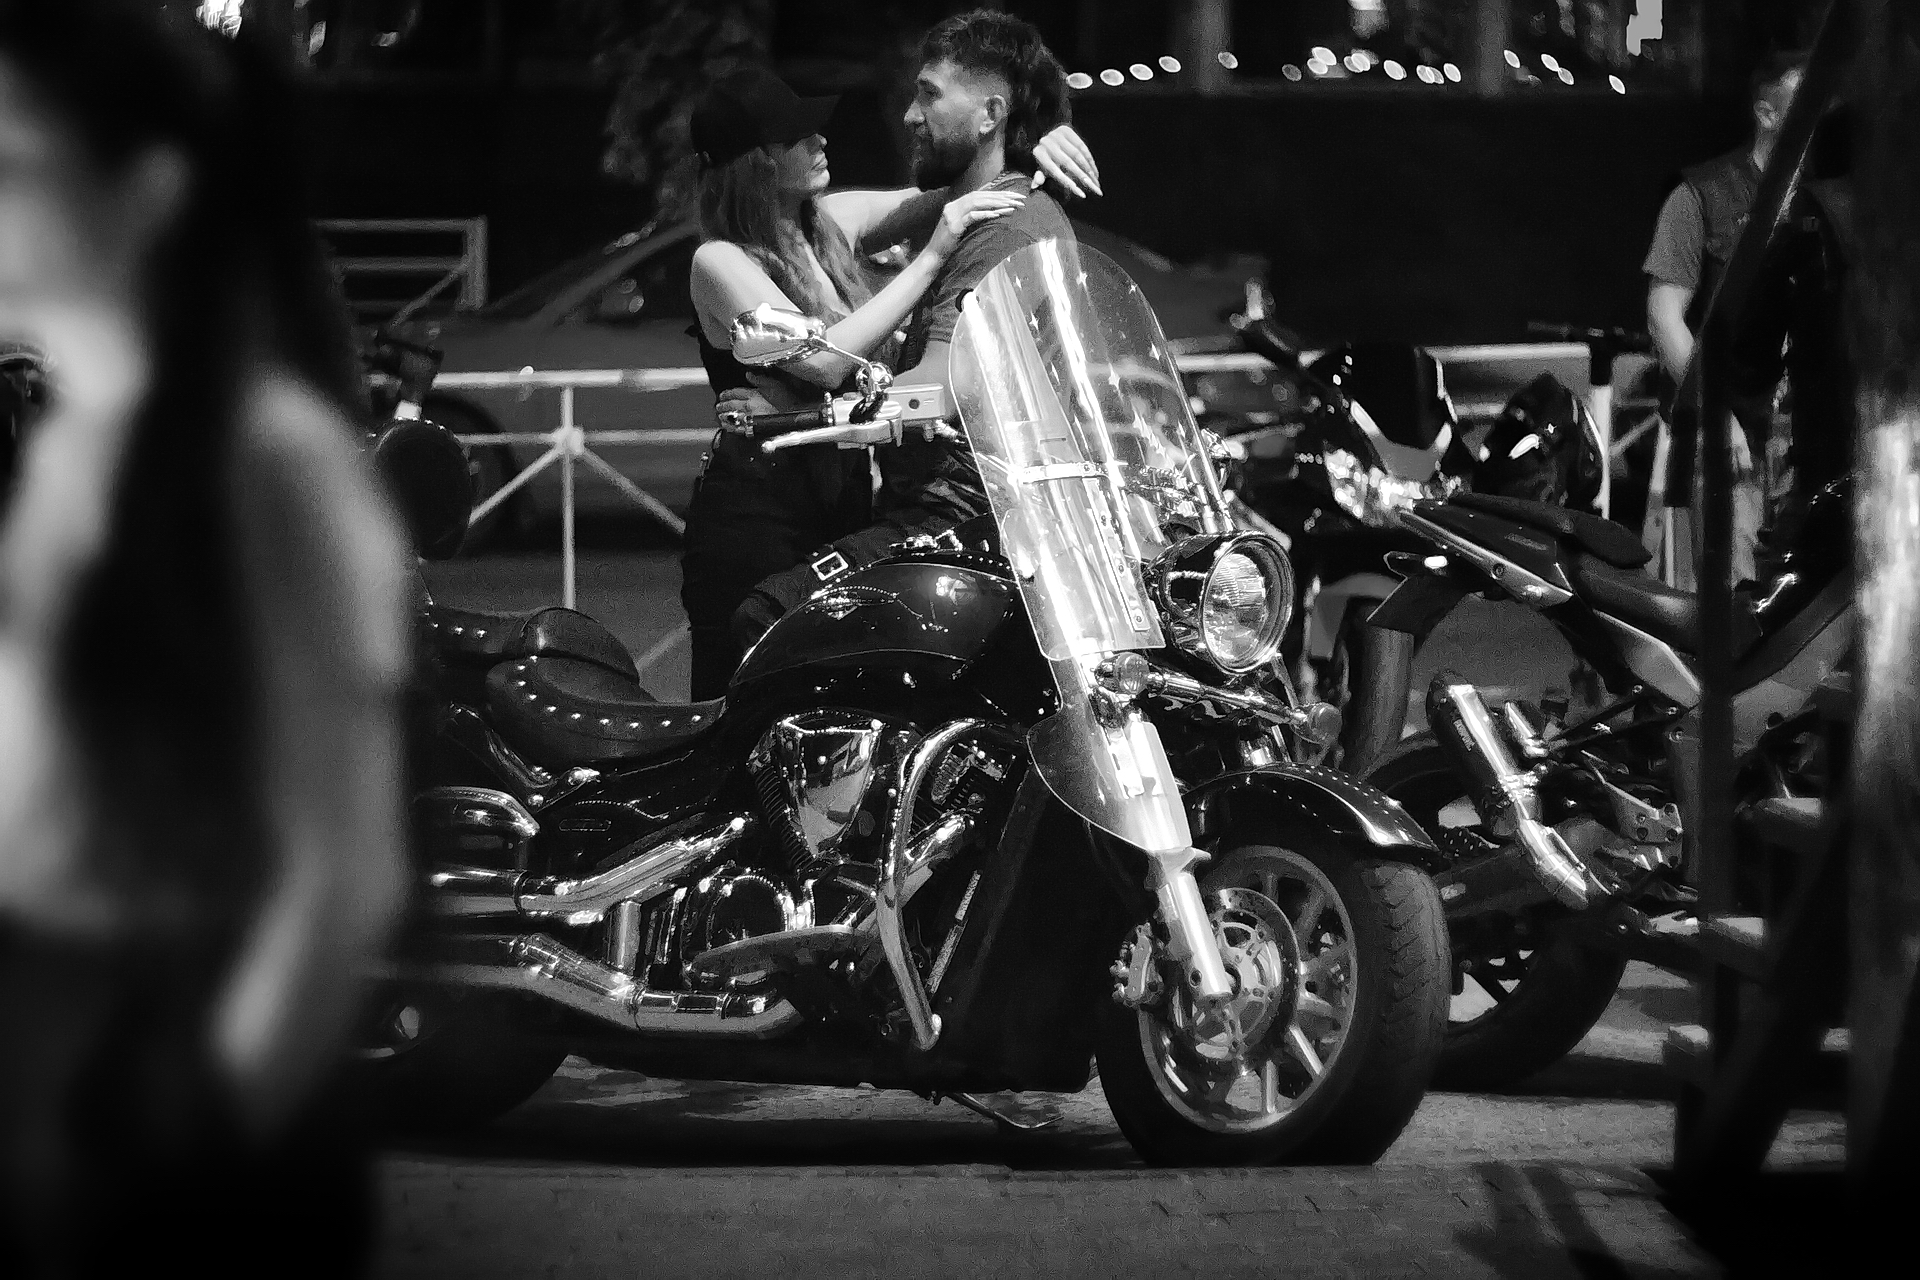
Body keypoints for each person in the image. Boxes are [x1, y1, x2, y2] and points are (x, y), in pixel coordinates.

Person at [0, 4, 408, 1274]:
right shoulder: (81, 450)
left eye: (20, 169)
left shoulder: (267, 463)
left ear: (144, 195)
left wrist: (193, 1130)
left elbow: (338, 871)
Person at [680, 64, 1099, 698]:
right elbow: (825, 362)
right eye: (797, 136)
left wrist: (1035, 143)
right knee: (740, 692)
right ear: (758, 162)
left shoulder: (831, 221)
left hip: (845, 501)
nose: (821, 141)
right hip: (757, 512)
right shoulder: (718, 261)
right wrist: (932, 257)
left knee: (831, 700)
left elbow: (972, 193)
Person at [1642, 50, 1806, 588]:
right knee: (1736, 599)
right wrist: (1716, 416)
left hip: (1808, 432)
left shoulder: (1828, 199)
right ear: (1766, 112)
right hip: (1732, 426)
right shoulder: (1700, 196)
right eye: (1806, 101)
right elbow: (1664, 317)